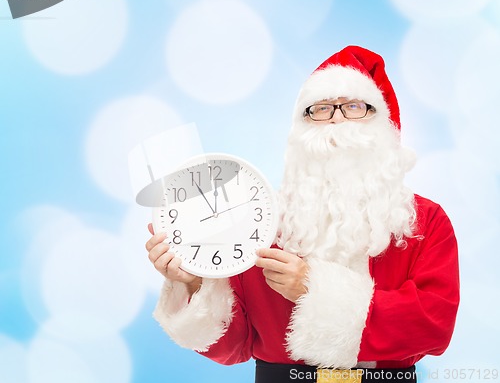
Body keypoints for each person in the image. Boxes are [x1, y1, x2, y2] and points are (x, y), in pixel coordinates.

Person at [145, 46, 460, 383]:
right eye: (321, 109)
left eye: (354, 106)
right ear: (300, 128)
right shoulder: (259, 219)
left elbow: (433, 325)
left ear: (383, 123)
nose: (337, 118)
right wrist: (194, 282)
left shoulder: (426, 221)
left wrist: (313, 288)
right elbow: (235, 346)